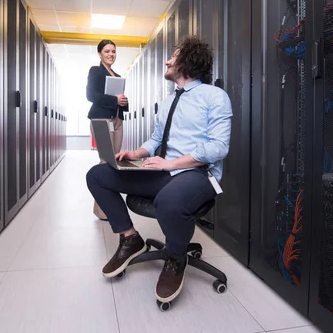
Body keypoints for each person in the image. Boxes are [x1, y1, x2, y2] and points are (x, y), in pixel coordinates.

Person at [85, 36, 232, 304]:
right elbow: (155, 140)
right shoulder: (167, 103)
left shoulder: (215, 96)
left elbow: (219, 148)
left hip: (198, 175)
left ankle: (176, 259)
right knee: (98, 175)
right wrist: (136, 153)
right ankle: (130, 239)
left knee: (168, 200)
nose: (167, 61)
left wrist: (172, 163)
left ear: (188, 60)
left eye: (173, 56)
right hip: (163, 172)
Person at [86, 39, 129, 220]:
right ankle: (103, 211)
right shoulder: (95, 71)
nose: (111, 54)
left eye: (113, 51)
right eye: (107, 51)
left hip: (117, 119)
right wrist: (114, 100)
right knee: (106, 162)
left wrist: (123, 101)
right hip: (102, 119)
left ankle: (106, 207)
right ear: (100, 54)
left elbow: (118, 99)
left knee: (114, 163)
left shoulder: (117, 75)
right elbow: (90, 95)